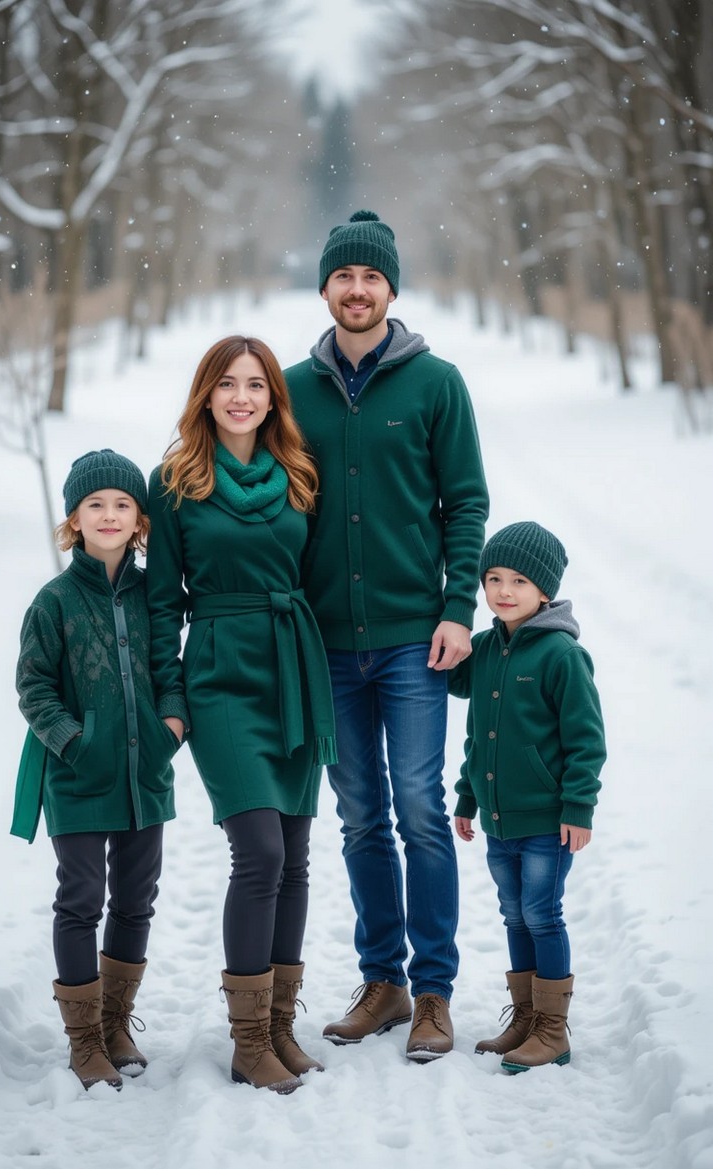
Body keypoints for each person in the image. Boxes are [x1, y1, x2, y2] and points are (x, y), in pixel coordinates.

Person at [283, 209, 489, 1061]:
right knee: (360, 816)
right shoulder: (291, 389)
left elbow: (466, 502)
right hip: (326, 641)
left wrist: (457, 606)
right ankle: (384, 982)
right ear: (326, 287)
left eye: (372, 277)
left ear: (391, 289)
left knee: (420, 811)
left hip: (413, 637)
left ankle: (435, 989)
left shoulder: (436, 383)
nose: (357, 289)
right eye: (344, 276)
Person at [146, 335, 337, 1095]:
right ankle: (247, 1040)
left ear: (272, 398)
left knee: (295, 854)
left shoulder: (299, 476)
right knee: (258, 849)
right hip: (222, 674)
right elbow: (163, 605)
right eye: (227, 384)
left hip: (293, 664)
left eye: (256, 384)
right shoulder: (178, 482)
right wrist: (171, 697)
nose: (241, 397)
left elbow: (318, 574)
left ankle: (280, 1029)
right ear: (206, 394)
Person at [12, 449, 180, 1091]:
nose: (108, 515)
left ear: (140, 519)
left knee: (136, 900)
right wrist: (74, 743)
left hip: (147, 778)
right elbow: (33, 687)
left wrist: (171, 730)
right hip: (78, 778)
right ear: (73, 519)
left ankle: (115, 1024)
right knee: (81, 899)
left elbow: (171, 670)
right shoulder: (53, 601)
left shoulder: (154, 594)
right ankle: (83, 1041)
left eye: (122, 504)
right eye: (94, 505)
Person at [450, 521, 606, 1072]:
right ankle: (524, 1017)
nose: (503, 591)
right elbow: (477, 733)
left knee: (542, 913)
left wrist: (578, 807)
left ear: (545, 590)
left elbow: (586, 739)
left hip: (546, 821)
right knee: (514, 915)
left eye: (518, 580)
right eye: (492, 578)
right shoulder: (489, 648)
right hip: (498, 820)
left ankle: (553, 1030)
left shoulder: (562, 655)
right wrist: (468, 797)